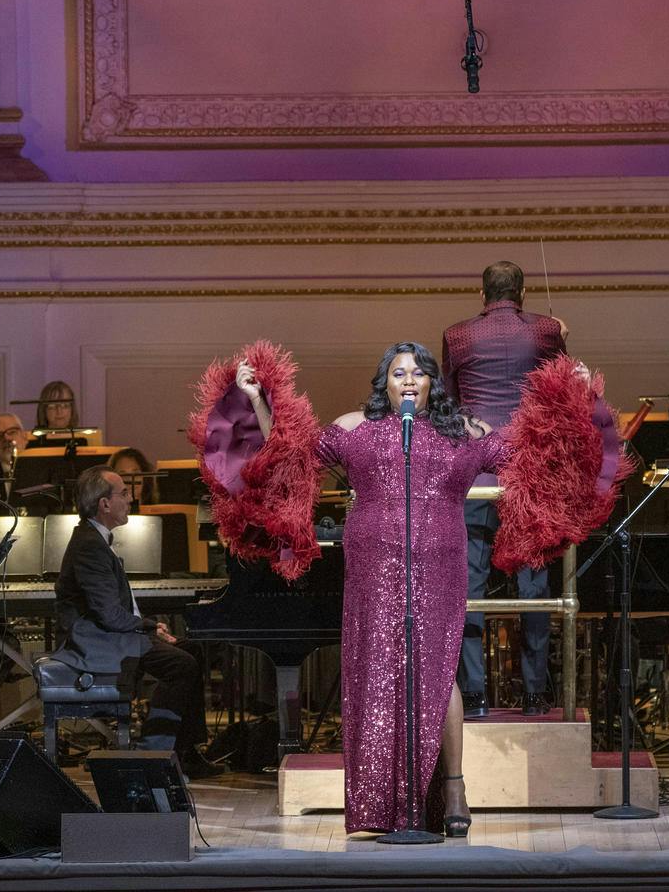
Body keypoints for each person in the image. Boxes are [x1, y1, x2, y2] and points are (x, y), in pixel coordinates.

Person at [205, 340, 625, 836]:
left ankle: (453, 788)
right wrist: (257, 400)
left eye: (419, 372)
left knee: (436, 672)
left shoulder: (465, 432)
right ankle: (380, 802)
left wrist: (572, 399)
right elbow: (287, 461)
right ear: (384, 382)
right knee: (377, 672)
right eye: (399, 372)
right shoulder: (355, 428)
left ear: (433, 383)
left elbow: (537, 457)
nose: (408, 379)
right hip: (372, 568)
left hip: (439, 565)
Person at [442, 260, 568, 718]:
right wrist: (560, 334)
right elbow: (562, 393)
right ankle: (535, 692)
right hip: (529, 475)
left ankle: (473, 693)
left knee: (469, 586)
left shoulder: (457, 335)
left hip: (477, 475)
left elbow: (453, 404)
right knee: (533, 586)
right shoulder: (547, 330)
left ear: (482, 295)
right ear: (523, 293)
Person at [50, 465, 218, 777]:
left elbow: (113, 609)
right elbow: (108, 614)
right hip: (96, 642)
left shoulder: (94, 539)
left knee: (191, 651)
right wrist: (148, 626)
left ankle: (185, 752)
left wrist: (149, 626)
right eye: (124, 494)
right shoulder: (89, 545)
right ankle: (153, 752)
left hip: (108, 634)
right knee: (181, 665)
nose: (130, 499)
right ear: (104, 504)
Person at [30, 381, 89, 448]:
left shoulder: (82, 441)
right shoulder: (33, 441)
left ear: (72, 409)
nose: (59, 411)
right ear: (44, 410)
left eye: (65, 405)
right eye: (52, 406)